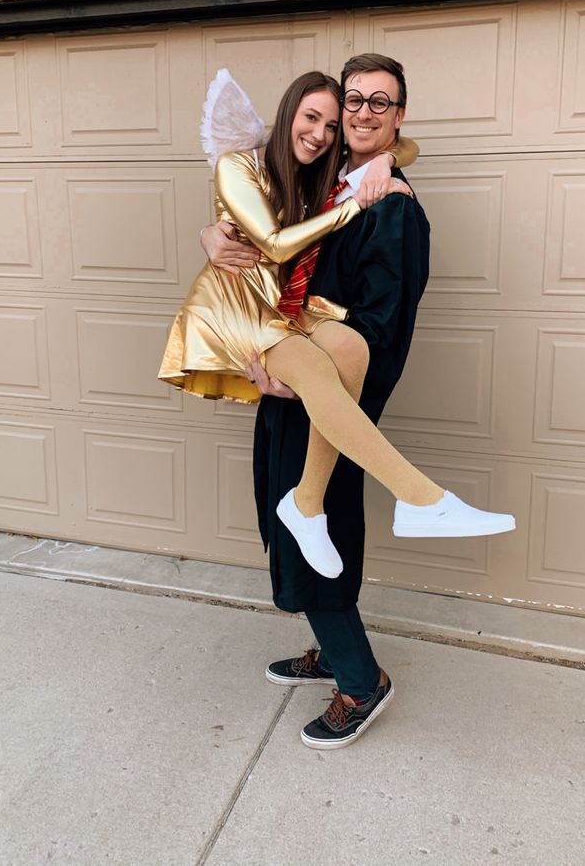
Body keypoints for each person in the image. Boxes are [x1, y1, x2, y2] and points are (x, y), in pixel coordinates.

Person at [200, 54, 516, 749]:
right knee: (290, 520)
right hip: (288, 388)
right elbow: (254, 229)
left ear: (399, 114)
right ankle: (327, 644)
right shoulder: (327, 182)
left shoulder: (394, 212)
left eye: (383, 102)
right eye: (355, 100)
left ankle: (358, 679)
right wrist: (214, 236)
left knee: (323, 533)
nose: (365, 112)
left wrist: (318, 378)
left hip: (334, 402)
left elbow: (382, 329)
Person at [161, 68, 514, 578]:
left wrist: (388, 161)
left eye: (331, 125)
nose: (322, 133)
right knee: (323, 368)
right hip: (239, 308)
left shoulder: (317, 173)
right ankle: (420, 497)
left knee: (350, 349)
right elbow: (278, 244)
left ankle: (307, 503)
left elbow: (399, 147)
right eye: (315, 118)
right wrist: (361, 201)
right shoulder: (242, 164)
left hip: (285, 307)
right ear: (288, 116)